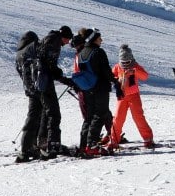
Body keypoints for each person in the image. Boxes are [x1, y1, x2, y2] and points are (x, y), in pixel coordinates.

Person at [34, 25, 75, 159]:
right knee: (54, 113)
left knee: (47, 112)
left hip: (41, 80)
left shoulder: (49, 39)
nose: (68, 42)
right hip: (45, 81)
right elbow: (49, 65)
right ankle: (53, 143)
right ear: (64, 36)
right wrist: (61, 76)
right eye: (68, 39)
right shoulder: (54, 42)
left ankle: (43, 141)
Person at [77, 30, 118, 156]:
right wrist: (115, 82)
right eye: (100, 38)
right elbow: (105, 70)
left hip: (87, 88)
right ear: (94, 39)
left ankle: (84, 144)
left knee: (89, 116)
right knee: (100, 114)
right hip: (100, 87)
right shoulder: (98, 52)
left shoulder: (82, 53)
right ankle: (92, 144)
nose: (101, 40)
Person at [110, 44, 155, 149]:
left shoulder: (135, 66)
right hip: (122, 96)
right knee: (118, 118)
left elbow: (145, 76)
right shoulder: (117, 67)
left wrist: (134, 71)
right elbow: (111, 77)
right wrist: (117, 80)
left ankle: (148, 139)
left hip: (134, 95)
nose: (125, 64)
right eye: (123, 62)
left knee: (138, 117)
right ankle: (114, 140)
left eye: (127, 62)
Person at [15, 31, 43, 162]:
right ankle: (27, 147)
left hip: (29, 89)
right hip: (34, 90)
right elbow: (31, 70)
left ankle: (30, 145)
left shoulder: (19, 54)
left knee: (34, 116)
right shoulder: (28, 52)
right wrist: (34, 87)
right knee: (33, 118)